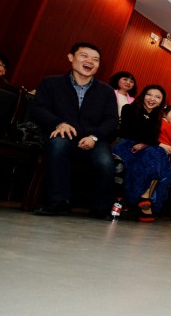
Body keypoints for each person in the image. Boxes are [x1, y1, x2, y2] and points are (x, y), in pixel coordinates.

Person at [30, 42, 118, 218]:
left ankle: (100, 207)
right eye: (84, 56)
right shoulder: (51, 82)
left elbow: (111, 120)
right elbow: (38, 108)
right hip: (63, 133)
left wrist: (95, 137)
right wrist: (58, 123)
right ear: (71, 57)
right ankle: (58, 201)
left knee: (106, 162)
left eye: (95, 59)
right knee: (57, 146)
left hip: (94, 138)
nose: (90, 61)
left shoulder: (107, 91)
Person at [112, 85, 171, 222]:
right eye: (149, 94)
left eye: (157, 97)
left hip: (146, 148)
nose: (152, 99)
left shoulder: (156, 117)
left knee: (156, 153)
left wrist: (146, 144)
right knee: (156, 152)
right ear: (143, 95)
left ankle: (145, 197)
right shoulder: (129, 109)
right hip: (127, 146)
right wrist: (150, 143)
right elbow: (128, 132)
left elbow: (151, 138)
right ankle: (145, 201)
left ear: (161, 101)